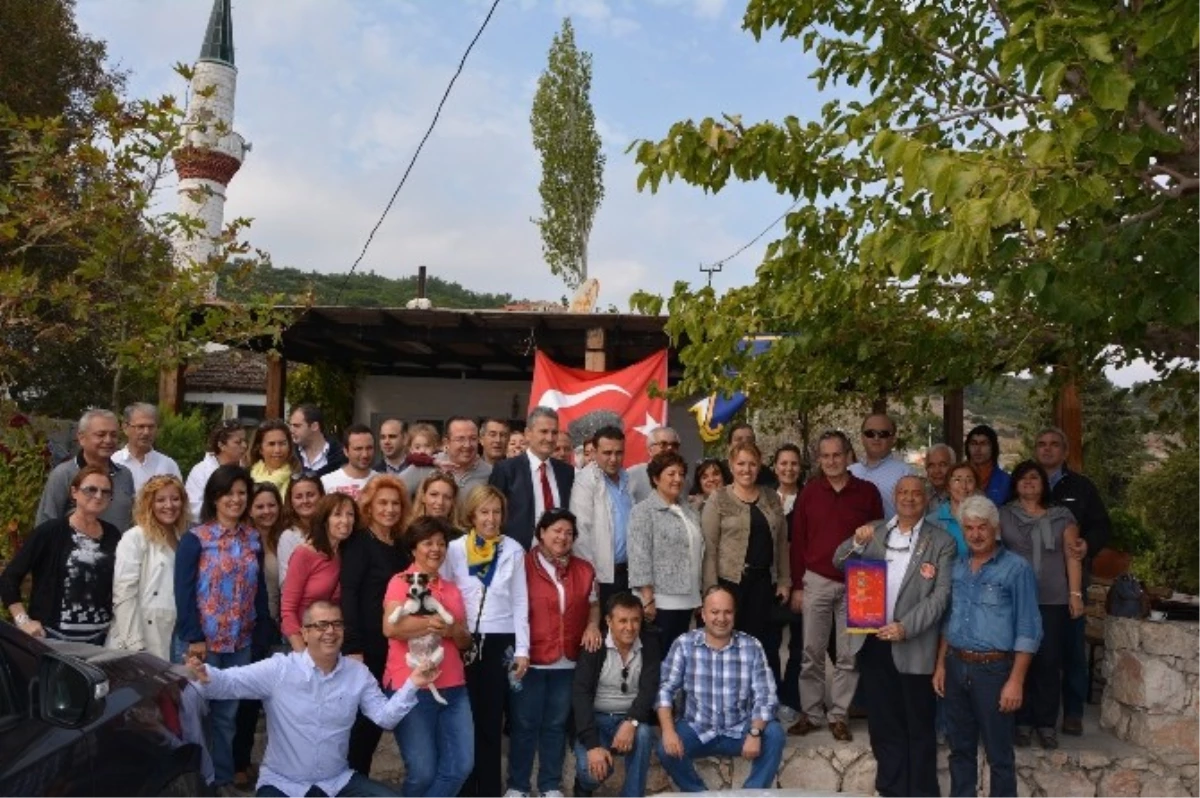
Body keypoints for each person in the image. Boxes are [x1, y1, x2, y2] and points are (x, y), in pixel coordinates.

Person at [185, 600, 438, 798]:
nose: (330, 631)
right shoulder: (280, 669)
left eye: (337, 624)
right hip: (283, 784)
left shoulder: (357, 674)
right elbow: (229, 682)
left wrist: (414, 682)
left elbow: (386, 717)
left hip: (336, 782)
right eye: (321, 625)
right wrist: (204, 674)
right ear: (304, 633)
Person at [833, 476, 955, 798]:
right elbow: (838, 561)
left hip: (914, 644)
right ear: (894, 497)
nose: (910, 498)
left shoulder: (941, 541)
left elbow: (941, 597)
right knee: (884, 726)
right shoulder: (874, 530)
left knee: (918, 724)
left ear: (927, 499)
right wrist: (857, 544)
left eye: (917, 493)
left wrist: (905, 626)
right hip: (874, 642)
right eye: (903, 492)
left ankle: (922, 792)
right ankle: (891, 789)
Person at [933, 495, 1042, 798]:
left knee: (999, 756)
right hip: (956, 667)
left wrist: (1016, 681)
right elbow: (948, 621)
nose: (976, 534)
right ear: (963, 530)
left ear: (995, 529)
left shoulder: (1016, 569)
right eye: (969, 528)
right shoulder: (956, 568)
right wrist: (941, 664)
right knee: (960, 750)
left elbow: (1028, 628)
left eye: (982, 527)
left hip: (994, 672)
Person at [173, 463, 271, 793]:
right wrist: (194, 637)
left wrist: (260, 632)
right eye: (229, 493)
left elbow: (259, 590)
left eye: (242, 493)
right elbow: (183, 591)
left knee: (227, 717)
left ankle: (223, 780)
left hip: (240, 642)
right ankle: (194, 783)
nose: (236, 499)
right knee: (195, 717)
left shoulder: (252, 538)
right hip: (204, 643)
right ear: (215, 497)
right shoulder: (195, 539)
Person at [789, 430, 884, 741]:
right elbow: (798, 541)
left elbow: (878, 539)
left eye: (837, 455)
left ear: (848, 456)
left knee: (849, 655)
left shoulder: (867, 493)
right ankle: (812, 713)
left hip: (857, 581)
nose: (831, 461)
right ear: (819, 459)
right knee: (811, 652)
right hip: (816, 579)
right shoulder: (810, 493)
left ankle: (839, 715)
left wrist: (871, 588)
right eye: (825, 455)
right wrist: (798, 586)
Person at [507, 508, 602, 798]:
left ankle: (550, 784)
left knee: (556, 725)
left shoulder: (585, 569)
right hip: (530, 659)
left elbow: (594, 604)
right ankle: (518, 786)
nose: (562, 537)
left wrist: (593, 626)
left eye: (568, 533)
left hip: (567, 661)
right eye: (556, 531)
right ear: (541, 533)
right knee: (524, 724)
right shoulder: (522, 564)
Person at [441, 485, 529, 798]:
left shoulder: (514, 549)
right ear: (472, 515)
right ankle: (465, 790)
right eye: (484, 512)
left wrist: (522, 649)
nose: (490, 518)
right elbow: (445, 592)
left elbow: (520, 601)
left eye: (496, 512)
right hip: (464, 641)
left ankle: (490, 790)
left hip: (500, 641)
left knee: (492, 721)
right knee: (465, 721)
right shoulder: (454, 549)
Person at [656, 585, 786, 792]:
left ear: (734, 614)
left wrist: (754, 732)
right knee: (664, 747)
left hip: (739, 729)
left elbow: (766, 695)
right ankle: (698, 794)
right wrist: (669, 731)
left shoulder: (751, 646)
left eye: (727, 612)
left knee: (775, 734)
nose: (721, 618)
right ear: (703, 615)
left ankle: (751, 794)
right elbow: (664, 690)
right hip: (696, 729)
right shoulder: (684, 644)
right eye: (715, 612)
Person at [384, 516, 474, 797]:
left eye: (440, 543)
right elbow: (391, 627)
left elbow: (464, 641)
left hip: (454, 687)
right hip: (410, 686)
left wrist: (452, 631)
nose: (435, 549)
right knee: (423, 773)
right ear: (413, 548)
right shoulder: (401, 582)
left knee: (460, 766)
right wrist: (433, 624)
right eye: (427, 543)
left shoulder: (452, 589)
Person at [1000, 460, 1084, 749]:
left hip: (1052, 598)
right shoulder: (1004, 515)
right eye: (1022, 478)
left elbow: (1072, 555)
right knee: (1019, 660)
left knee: (1049, 661)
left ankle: (1046, 724)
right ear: (1015, 484)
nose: (1029, 482)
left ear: (1044, 484)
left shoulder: (1062, 516)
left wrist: (1075, 595)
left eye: (1034, 477)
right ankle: (1021, 722)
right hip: (1013, 599)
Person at [1034, 425, 1110, 737]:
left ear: (1065, 452)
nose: (1047, 449)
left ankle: (1074, 711)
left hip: (1070, 584)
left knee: (1072, 651)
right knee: (1036, 651)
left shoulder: (1082, 488)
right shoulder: (1027, 484)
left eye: (1054, 445)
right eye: (1041, 444)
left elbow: (1102, 526)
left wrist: (1087, 545)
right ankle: (1036, 713)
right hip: (1033, 586)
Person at [341, 475, 413, 777]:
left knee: (378, 721)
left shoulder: (400, 545)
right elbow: (348, 594)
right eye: (382, 502)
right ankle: (352, 782)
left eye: (395, 503)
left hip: (394, 646)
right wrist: (353, 646)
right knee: (362, 725)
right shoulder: (358, 543)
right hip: (365, 648)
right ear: (369, 506)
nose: (389, 509)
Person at [701, 441, 789, 682]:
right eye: (740, 463)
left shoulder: (771, 497)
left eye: (752, 464)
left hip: (764, 584)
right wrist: (710, 591)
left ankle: (764, 700)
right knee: (729, 642)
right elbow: (709, 548)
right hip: (730, 584)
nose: (746, 469)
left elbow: (781, 542)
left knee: (764, 645)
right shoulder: (718, 499)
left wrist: (784, 580)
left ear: (760, 465)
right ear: (731, 465)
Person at [4, 465, 122, 643]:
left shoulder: (113, 535)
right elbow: (9, 578)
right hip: (54, 640)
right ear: (74, 492)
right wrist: (23, 620)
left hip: (101, 641)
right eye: (91, 489)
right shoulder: (49, 532)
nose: (98, 496)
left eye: (105, 492)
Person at [571, 593, 661, 798]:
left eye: (635, 620)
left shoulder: (650, 644)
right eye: (622, 620)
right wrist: (593, 746)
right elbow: (580, 694)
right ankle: (583, 786)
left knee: (645, 733)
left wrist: (632, 721)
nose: (629, 628)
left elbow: (649, 688)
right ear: (609, 621)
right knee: (592, 774)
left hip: (629, 719)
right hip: (596, 720)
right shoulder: (595, 645)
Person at [235, 481, 287, 791]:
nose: (267, 511)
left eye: (272, 505)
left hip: (281, 628)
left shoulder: (284, 538)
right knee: (248, 700)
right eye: (260, 506)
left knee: (278, 702)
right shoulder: (244, 540)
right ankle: (239, 762)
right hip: (253, 627)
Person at [107, 474, 188, 660]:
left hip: (175, 634)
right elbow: (124, 593)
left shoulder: (184, 538)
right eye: (160, 500)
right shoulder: (135, 537)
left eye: (175, 499)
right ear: (149, 503)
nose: (169, 505)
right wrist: (135, 645)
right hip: (141, 633)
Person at [628, 451, 702, 653]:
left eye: (681, 473)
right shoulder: (643, 511)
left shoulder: (688, 510)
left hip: (688, 597)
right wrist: (647, 597)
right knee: (659, 657)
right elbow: (639, 555)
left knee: (680, 658)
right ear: (655, 478)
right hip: (660, 601)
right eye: (671, 474)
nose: (678, 479)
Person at [489, 407, 575, 550]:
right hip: (518, 557)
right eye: (544, 431)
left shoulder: (566, 472)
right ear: (528, 434)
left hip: (558, 557)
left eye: (554, 432)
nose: (550, 438)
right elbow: (493, 515)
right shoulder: (506, 470)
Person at [37, 408, 136, 531]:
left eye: (114, 435)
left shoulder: (124, 475)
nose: (108, 440)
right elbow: (45, 524)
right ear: (81, 438)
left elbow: (131, 521)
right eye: (101, 435)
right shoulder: (64, 475)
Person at [281, 493, 358, 652]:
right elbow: (288, 610)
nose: (345, 520)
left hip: (331, 641)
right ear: (324, 520)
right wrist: (303, 656)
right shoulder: (304, 554)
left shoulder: (344, 553)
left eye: (350, 514)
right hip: (304, 643)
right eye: (337, 514)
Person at [571, 426, 635, 611]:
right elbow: (581, 533)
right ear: (595, 452)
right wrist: (590, 579)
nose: (613, 459)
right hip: (602, 577)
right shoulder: (585, 481)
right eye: (607, 453)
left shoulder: (627, 478)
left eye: (619, 452)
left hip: (629, 574)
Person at [772, 443, 805, 715]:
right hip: (768, 582)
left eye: (794, 463)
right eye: (784, 463)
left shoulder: (808, 499)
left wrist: (800, 584)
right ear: (775, 467)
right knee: (768, 643)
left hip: (801, 581)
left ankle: (792, 699)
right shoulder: (763, 498)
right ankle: (770, 698)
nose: (788, 468)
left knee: (799, 645)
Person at [849, 413, 912, 519]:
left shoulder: (905, 473)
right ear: (862, 437)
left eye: (883, 434)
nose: (876, 438)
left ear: (893, 439)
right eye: (870, 433)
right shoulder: (850, 472)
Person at [185, 419, 248, 520]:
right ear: (221, 445)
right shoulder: (200, 471)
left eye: (245, 441)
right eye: (238, 442)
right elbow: (193, 508)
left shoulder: (246, 469)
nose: (244, 446)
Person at [112, 402, 182, 492]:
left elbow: (179, 499)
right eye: (140, 427)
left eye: (151, 427)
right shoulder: (113, 462)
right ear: (125, 428)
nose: (146, 432)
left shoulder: (168, 465)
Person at [277, 474, 326, 589]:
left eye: (311, 495)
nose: (305, 501)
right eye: (298, 497)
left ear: (322, 496)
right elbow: (286, 585)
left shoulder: (332, 528)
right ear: (291, 502)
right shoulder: (288, 536)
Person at [927, 461, 977, 558]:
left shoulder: (986, 519)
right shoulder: (931, 522)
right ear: (948, 486)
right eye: (957, 480)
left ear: (975, 486)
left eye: (969, 480)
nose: (964, 486)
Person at [289, 404, 348, 478]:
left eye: (297, 426)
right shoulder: (289, 454)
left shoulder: (341, 455)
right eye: (291, 425)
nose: (291, 430)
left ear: (314, 426)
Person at [322, 424, 378, 499]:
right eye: (358, 449)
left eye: (369, 448)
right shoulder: (327, 482)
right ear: (346, 451)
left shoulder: (383, 481)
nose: (365, 454)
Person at [627, 426, 681, 503]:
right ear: (650, 450)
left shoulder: (683, 478)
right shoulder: (633, 475)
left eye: (674, 445)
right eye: (663, 444)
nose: (669, 448)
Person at [249, 419, 299, 498]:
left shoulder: (298, 478)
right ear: (260, 449)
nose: (277, 450)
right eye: (271, 444)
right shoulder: (248, 478)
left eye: (282, 444)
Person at [719, 423, 777, 487]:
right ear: (729, 446)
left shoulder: (765, 474)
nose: (744, 443)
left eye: (749, 440)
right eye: (739, 439)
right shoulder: (719, 470)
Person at [966, 424, 1011, 505]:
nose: (977, 449)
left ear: (993, 448)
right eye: (973, 443)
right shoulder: (958, 476)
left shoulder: (1006, 481)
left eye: (983, 444)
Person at [396, 422, 443, 492]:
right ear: (410, 449)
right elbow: (418, 459)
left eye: (427, 446)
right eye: (417, 447)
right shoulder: (411, 459)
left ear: (434, 447)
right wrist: (434, 461)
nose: (422, 451)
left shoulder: (438, 457)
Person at [923, 443, 955, 507]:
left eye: (942, 465)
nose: (937, 471)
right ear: (926, 469)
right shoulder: (922, 496)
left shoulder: (962, 496)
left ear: (953, 467)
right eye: (931, 465)